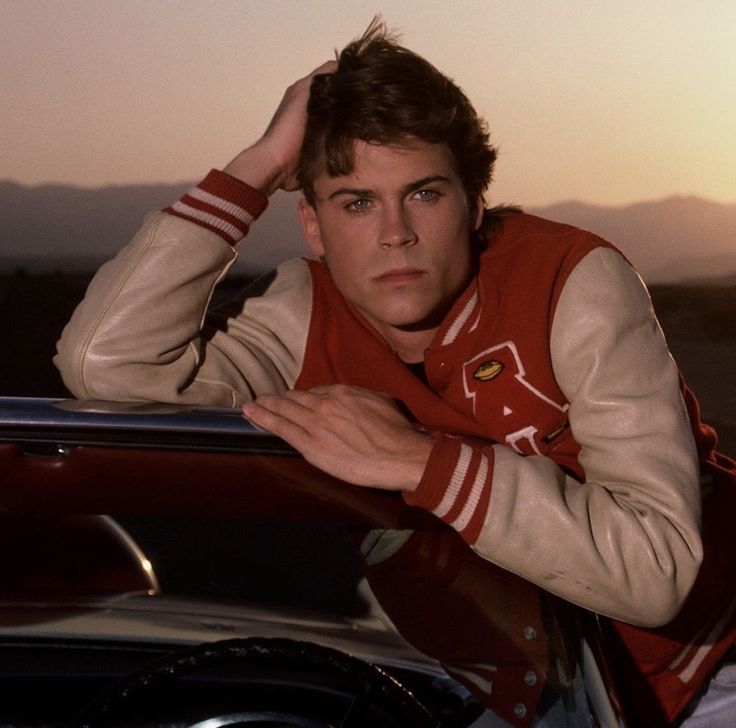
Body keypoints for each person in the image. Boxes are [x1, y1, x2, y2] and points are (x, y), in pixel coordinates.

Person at [55, 20, 735, 726]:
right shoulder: (301, 312)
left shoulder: (569, 279)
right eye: (355, 202)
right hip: (526, 698)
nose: (394, 232)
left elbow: (657, 571)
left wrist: (423, 463)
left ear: (474, 205)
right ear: (313, 227)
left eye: (424, 194)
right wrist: (255, 166)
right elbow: (107, 368)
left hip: (710, 672)